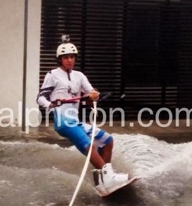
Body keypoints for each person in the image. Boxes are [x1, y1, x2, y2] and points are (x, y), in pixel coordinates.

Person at [36, 35, 129, 195]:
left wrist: (94, 95)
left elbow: (91, 94)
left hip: (75, 121)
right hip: (63, 121)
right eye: (66, 57)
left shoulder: (79, 76)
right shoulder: (52, 75)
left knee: (107, 140)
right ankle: (109, 177)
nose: (69, 60)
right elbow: (40, 98)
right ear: (60, 59)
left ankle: (103, 181)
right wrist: (50, 104)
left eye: (72, 57)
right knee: (88, 144)